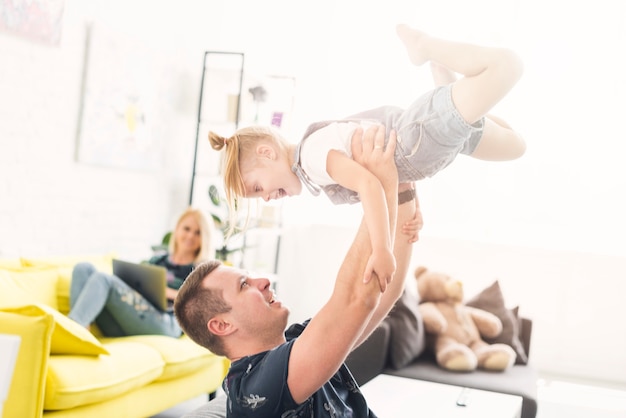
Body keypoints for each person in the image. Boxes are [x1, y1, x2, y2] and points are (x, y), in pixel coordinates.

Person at [208, 24, 525, 285]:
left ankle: (428, 50)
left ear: (267, 153)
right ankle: (447, 85)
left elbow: (370, 185)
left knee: (507, 65)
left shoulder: (311, 157)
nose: (265, 198)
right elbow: (390, 176)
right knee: (515, 146)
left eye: (257, 188)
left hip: (420, 135)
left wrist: (382, 249)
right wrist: (415, 209)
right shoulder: (311, 162)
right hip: (428, 150)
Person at [175, 125, 419, 417]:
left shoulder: (296, 340)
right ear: (222, 325)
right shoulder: (253, 386)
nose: (263, 281)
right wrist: (383, 182)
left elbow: (381, 296)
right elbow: (357, 298)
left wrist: (401, 192)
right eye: (244, 285)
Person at [67, 207, 214, 337]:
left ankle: (71, 330)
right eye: (187, 229)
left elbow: (201, 307)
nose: (190, 236)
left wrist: (166, 292)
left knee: (103, 279)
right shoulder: (157, 261)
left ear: (204, 238)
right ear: (177, 230)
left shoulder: (200, 271)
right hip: (130, 318)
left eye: (198, 233)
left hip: (165, 322)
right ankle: (81, 329)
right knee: (83, 268)